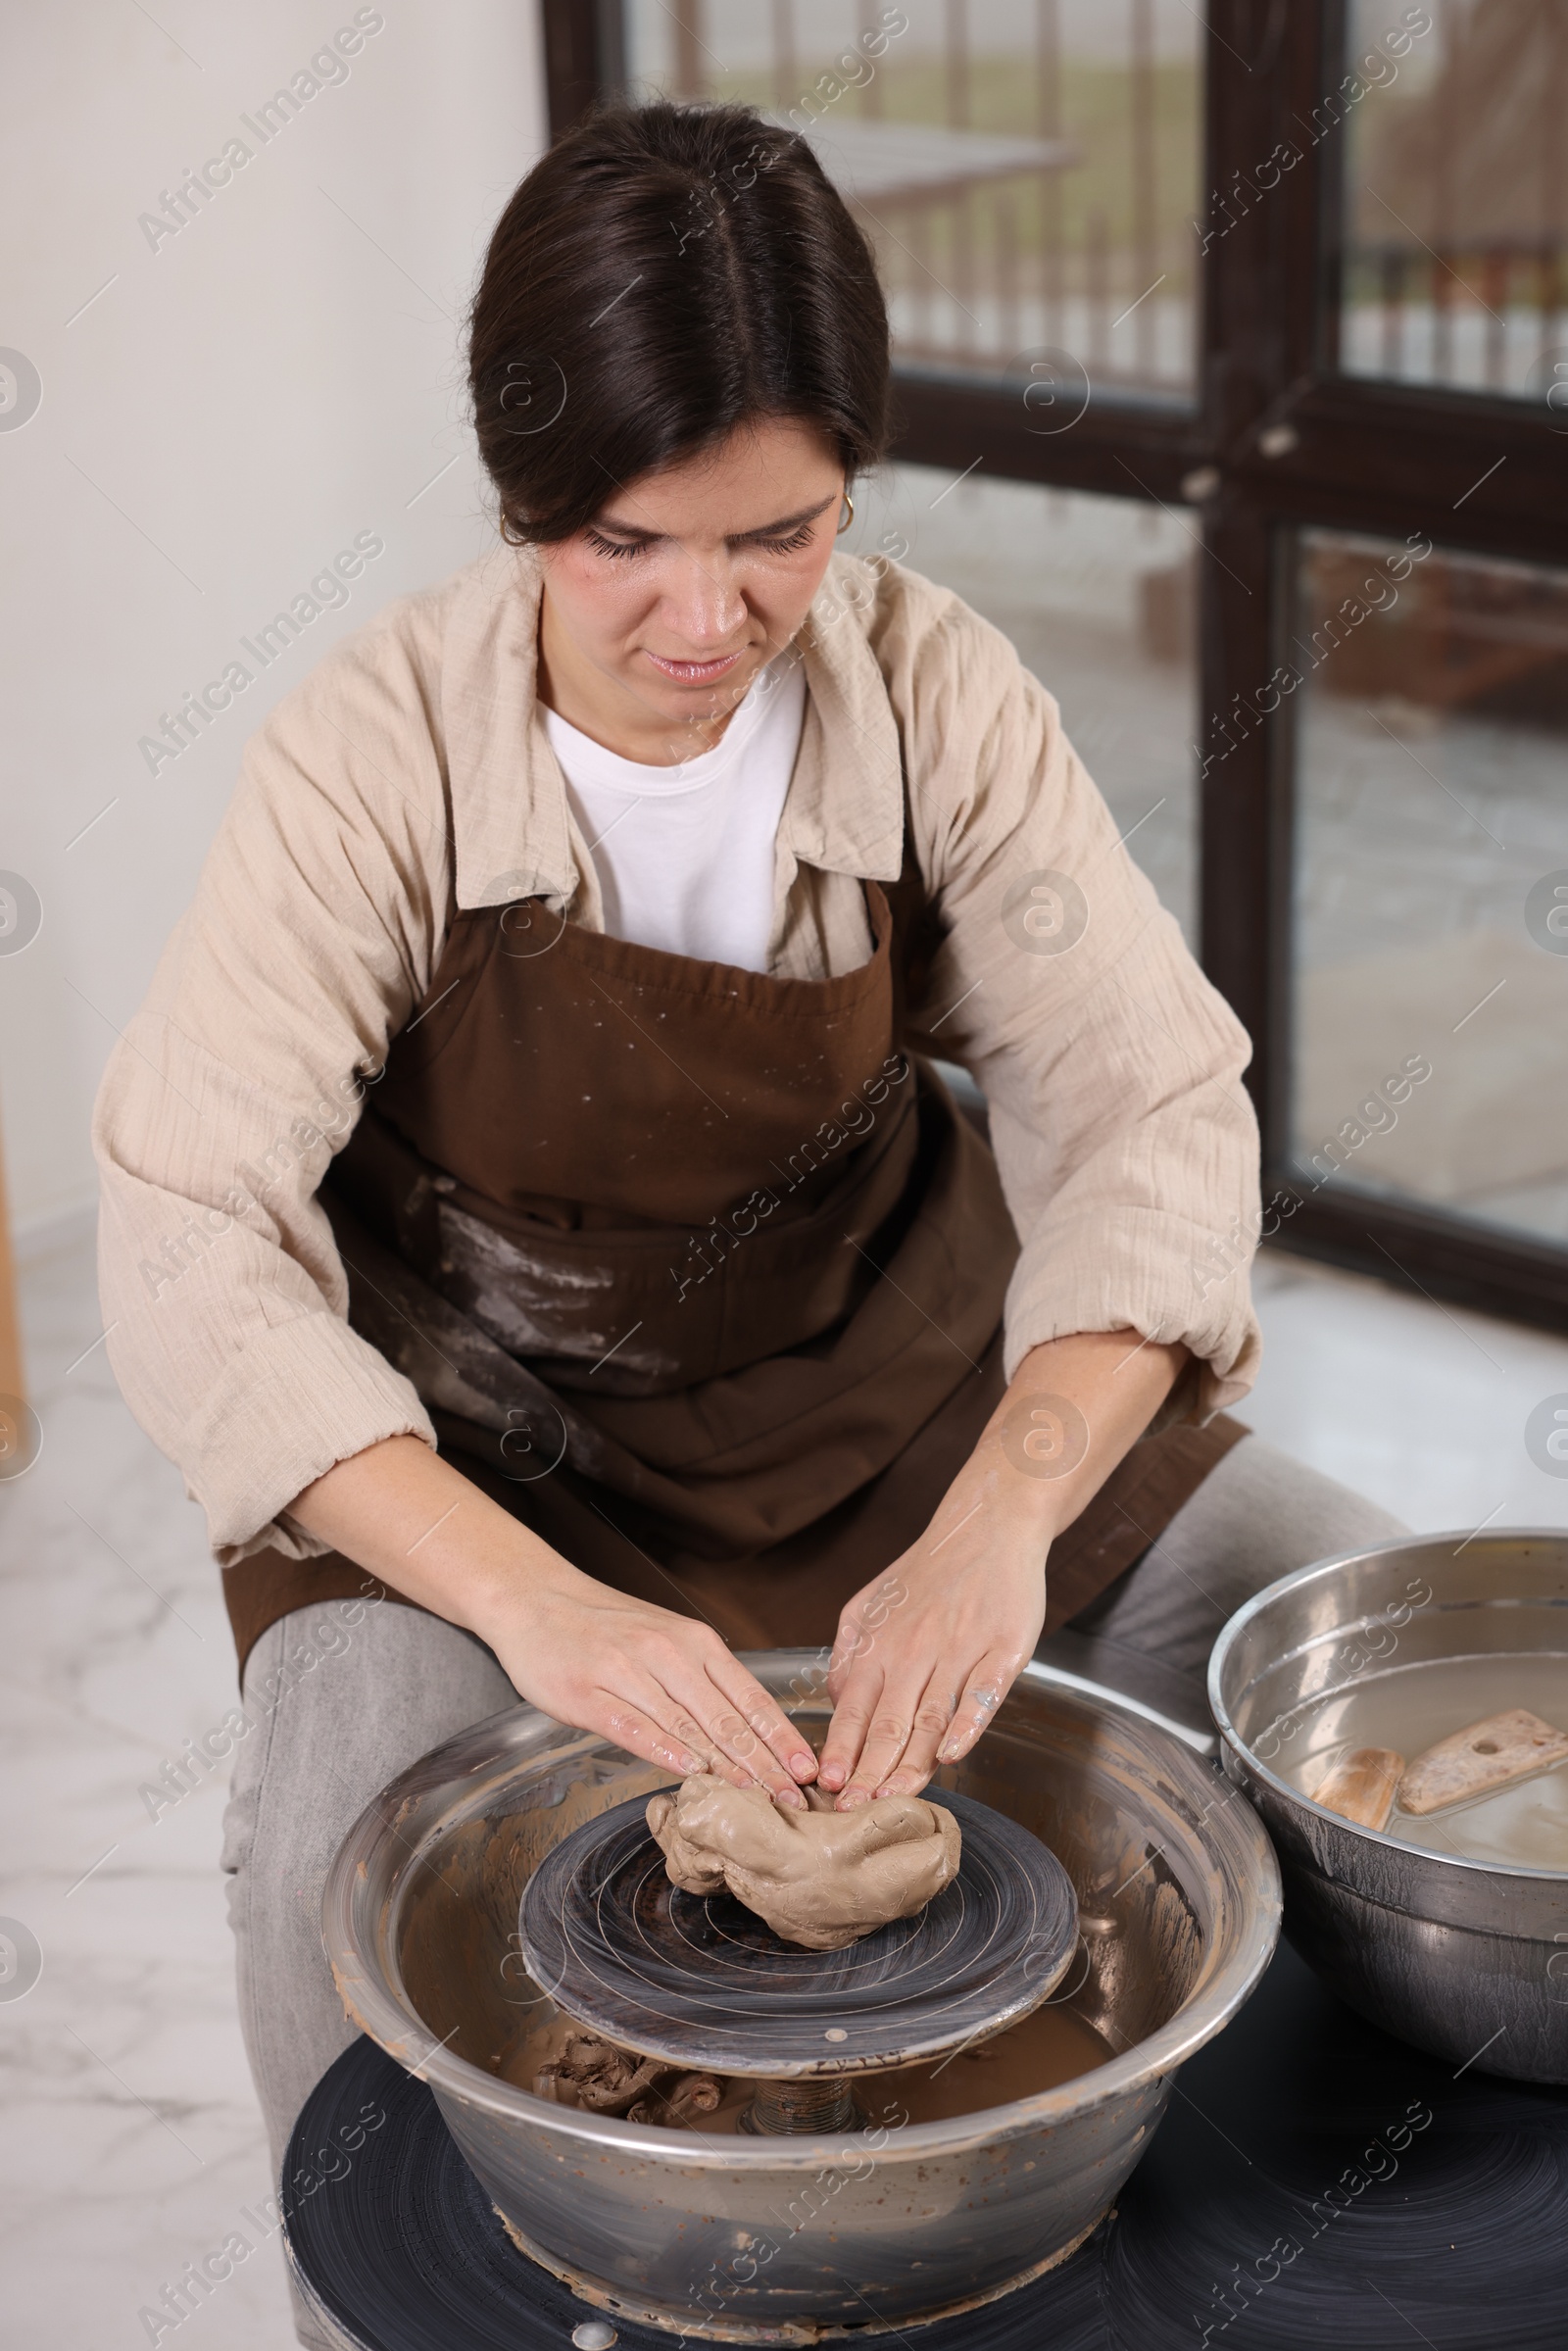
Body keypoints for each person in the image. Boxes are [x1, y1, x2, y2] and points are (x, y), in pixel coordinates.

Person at [93, 99, 1402, 2347]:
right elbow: (189, 1229)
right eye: (626, 545)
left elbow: (1152, 1108)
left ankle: (1339, 2241)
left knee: (1331, 1631)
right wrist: (540, 1619)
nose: (709, 619)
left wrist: (1005, 1511)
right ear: (525, 501)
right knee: (338, 1851)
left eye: (778, 536)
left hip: (891, 1400)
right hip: (480, 1450)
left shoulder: (932, 692)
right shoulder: (366, 753)